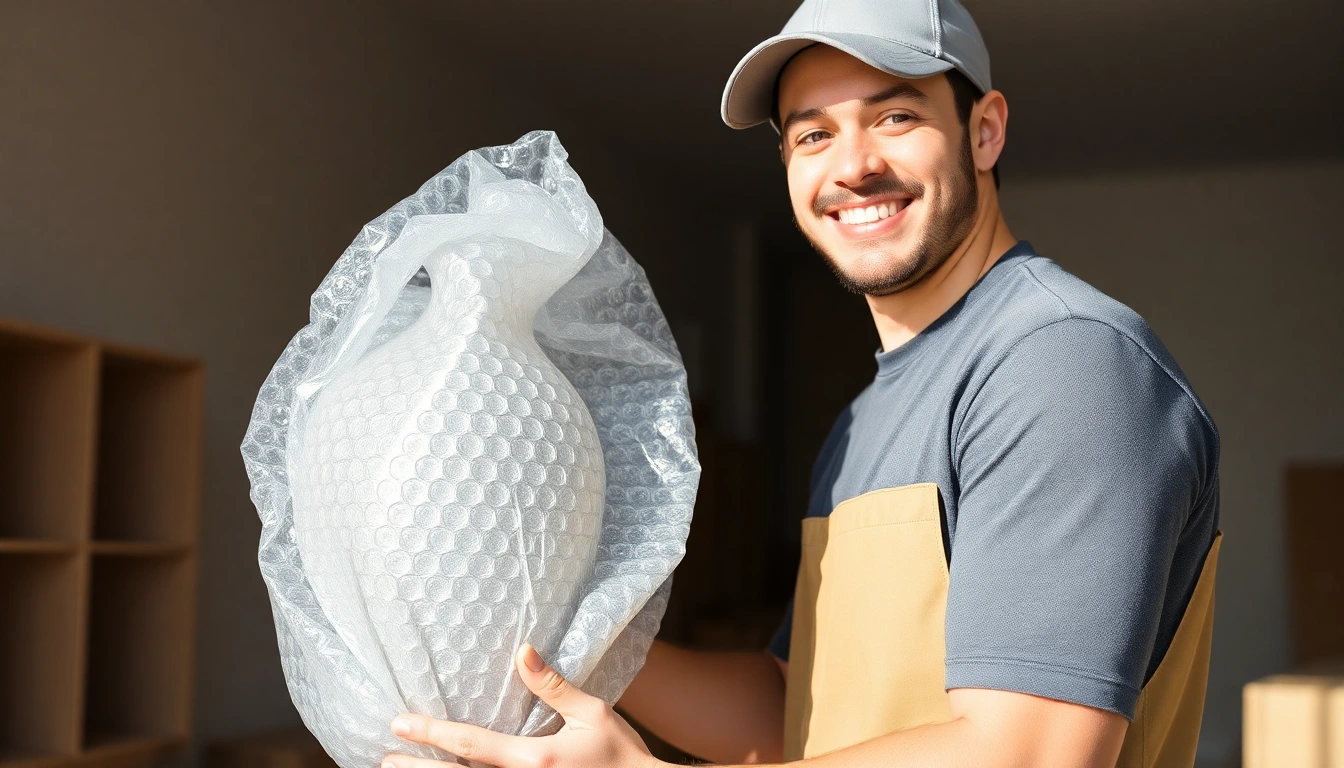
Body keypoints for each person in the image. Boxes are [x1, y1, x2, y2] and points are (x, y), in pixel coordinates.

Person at [380, 0, 1222, 766]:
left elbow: (1028, 754)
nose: (852, 166)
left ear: (985, 131)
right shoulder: (864, 421)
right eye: (813, 135)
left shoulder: (1062, 362)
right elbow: (794, 711)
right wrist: (561, 645)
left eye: (895, 116)